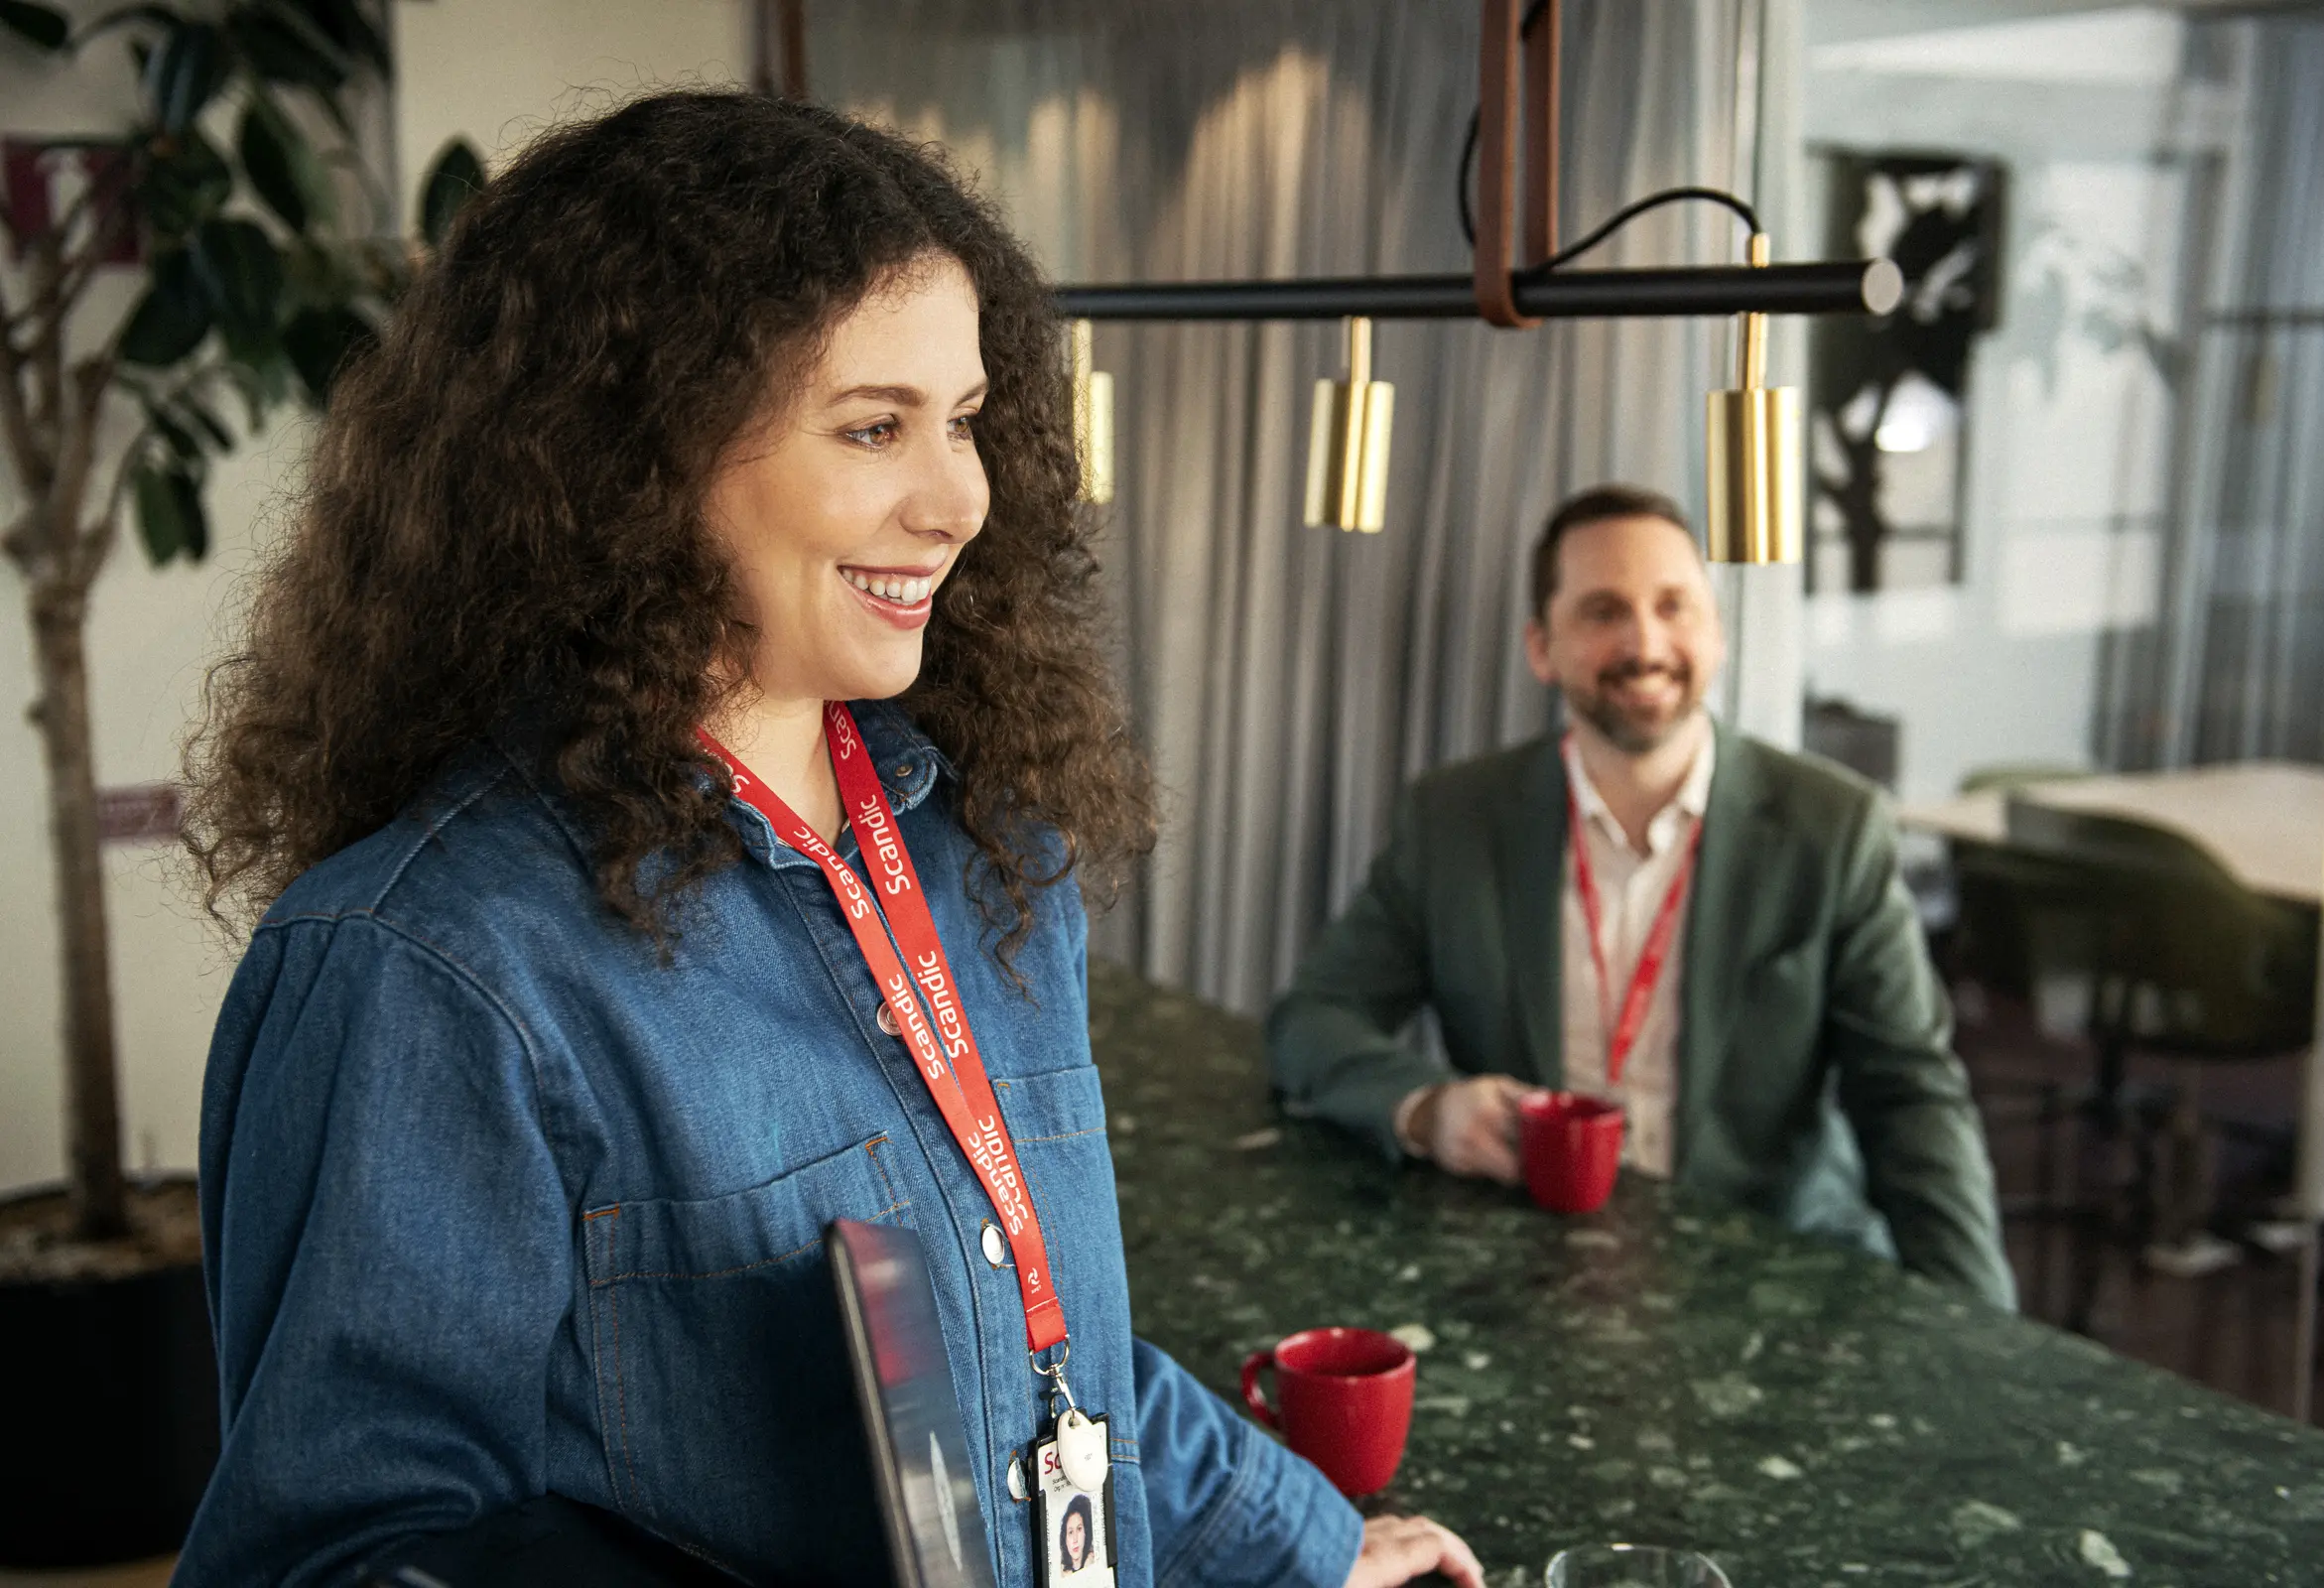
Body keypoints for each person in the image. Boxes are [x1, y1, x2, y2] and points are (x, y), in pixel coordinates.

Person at [175, 91, 1485, 1588]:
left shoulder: (983, 850)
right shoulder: (430, 965)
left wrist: (1304, 1543)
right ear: (631, 464)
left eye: (966, 422)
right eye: (874, 428)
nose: (959, 500)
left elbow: (1039, 1349)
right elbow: (342, 1558)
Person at [1266, 485, 2015, 1309]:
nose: (1645, 643)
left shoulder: (1833, 829)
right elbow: (1312, 1020)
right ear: (1542, 648)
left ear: (1718, 633)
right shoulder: (1454, 821)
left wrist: (1985, 1333)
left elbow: (1912, 1097)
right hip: (1531, 1269)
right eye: (1603, 611)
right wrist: (1429, 1110)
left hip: (1770, 1278)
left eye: (1673, 606)